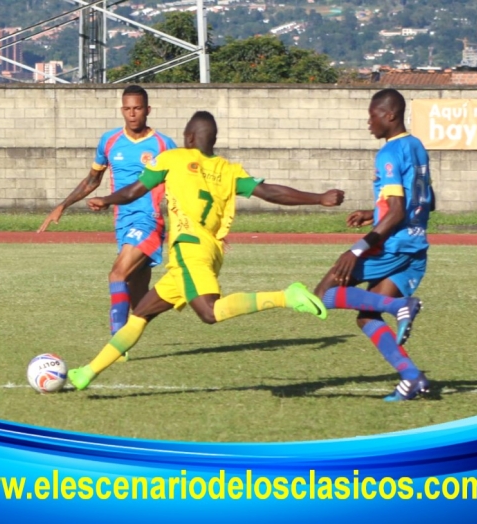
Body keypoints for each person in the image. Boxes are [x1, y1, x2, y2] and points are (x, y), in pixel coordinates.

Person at [68, 110, 345, 390]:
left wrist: (106, 199)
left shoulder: (172, 159)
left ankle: (286, 296)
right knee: (140, 314)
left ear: (189, 137)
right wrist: (319, 198)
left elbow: (133, 191)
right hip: (209, 252)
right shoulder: (228, 170)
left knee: (209, 313)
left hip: (188, 250)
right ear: (213, 139)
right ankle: (86, 373)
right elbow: (271, 192)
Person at [38, 86, 177, 361]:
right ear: (122, 110)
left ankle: (115, 347)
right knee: (140, 301)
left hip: (148, 221)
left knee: (116, 274)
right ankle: (182, 295)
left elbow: (180, 184)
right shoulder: (110, 141)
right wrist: (63, 205)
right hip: (122, 223)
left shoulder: (164, 145)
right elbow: (93, 180)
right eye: (127, 108)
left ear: (148, 110)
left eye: (138, 108)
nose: (132, 113)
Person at [313, 88, 432, 402]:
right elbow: (424, 203)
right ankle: (411, 377)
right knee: (366, 314)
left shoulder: (389, 153)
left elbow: (396, 211)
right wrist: (373, 213)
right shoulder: (417, 146)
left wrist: (356, 250)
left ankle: (399, 307)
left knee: (322, 294)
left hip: (392, 246)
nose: (369, 122)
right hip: (416, 246)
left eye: (372, 115)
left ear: (389, 115)